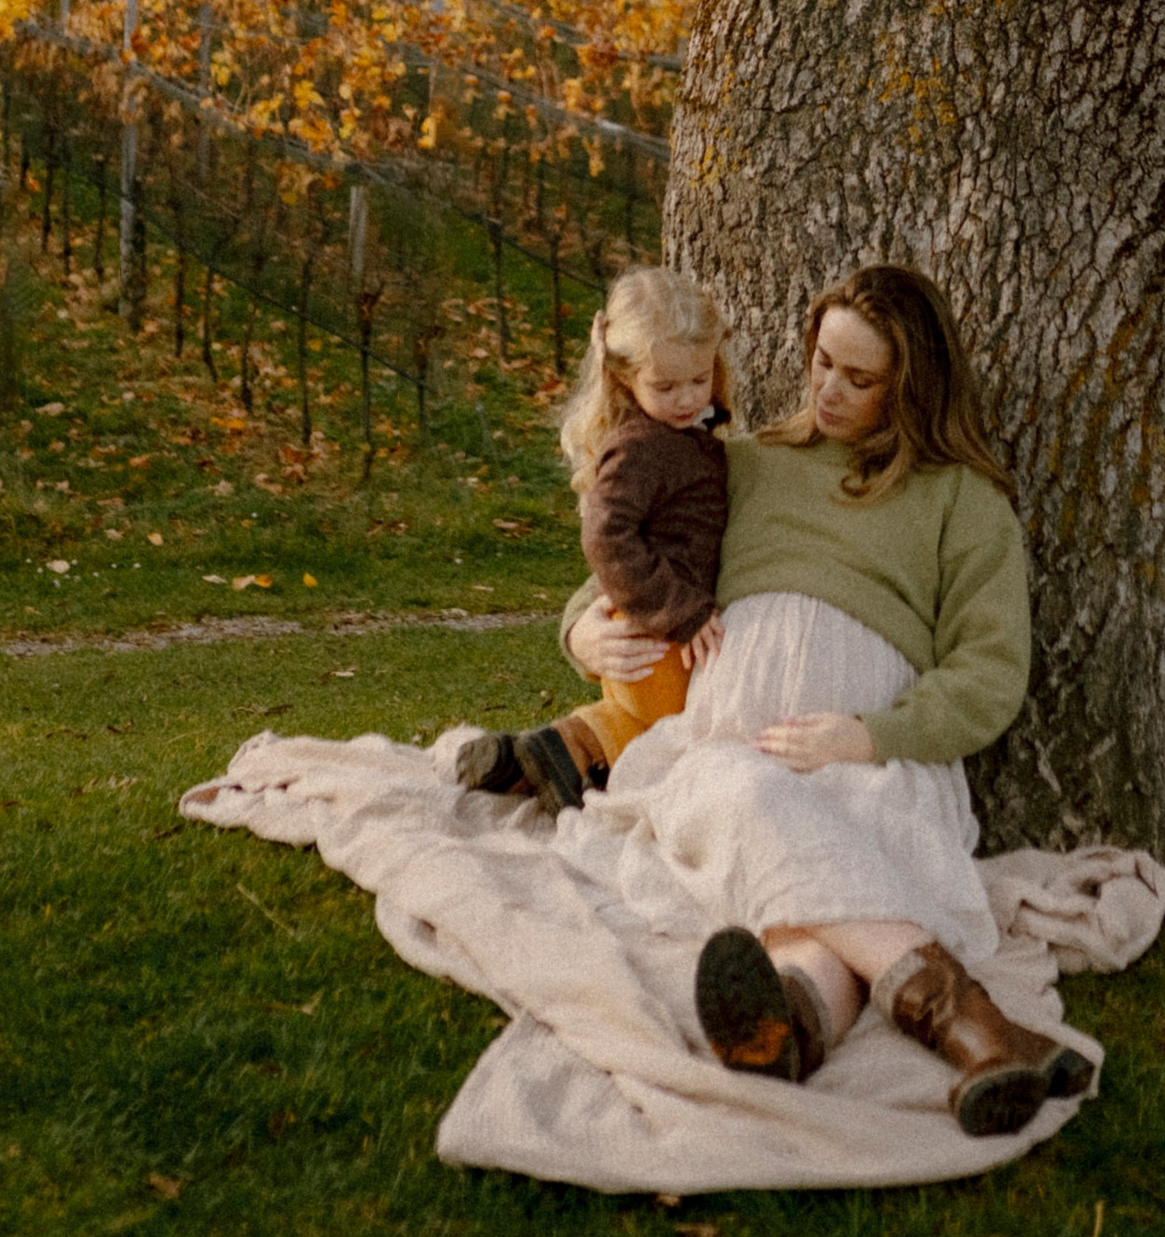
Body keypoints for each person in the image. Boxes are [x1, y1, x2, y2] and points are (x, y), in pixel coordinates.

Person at [555, 263, 1094, 1141]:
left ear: (911, 386)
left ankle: (795, 1025)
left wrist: (868, 736)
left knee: (813, 876)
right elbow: (620, 565)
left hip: (875, 761)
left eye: (859, 376)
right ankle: (977, 1031)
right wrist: (581, 635)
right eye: (821, 361)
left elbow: (991, 672)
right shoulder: (750, 462)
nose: (827, 389)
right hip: (729, 749)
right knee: (743, 790)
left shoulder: (962, 499)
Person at [455, 268, 732, 817]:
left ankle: (529, 757)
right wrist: (682, 612)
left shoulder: (683, 437)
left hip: (655, 633)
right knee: (667, 733)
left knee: (634, 719)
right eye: (666, 386)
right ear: (627, 378)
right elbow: (606, 535)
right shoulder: (640, 448)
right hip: (658, 634)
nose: (686, 398)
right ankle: (574, 767)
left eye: (699, 380)